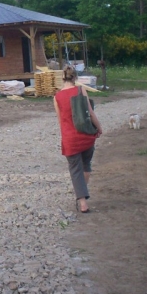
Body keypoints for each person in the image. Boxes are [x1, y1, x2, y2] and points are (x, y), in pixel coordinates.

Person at [53, 64, 103, 212]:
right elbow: (91, 114)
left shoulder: (57, 97)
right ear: (75, 77)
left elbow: (60, 120)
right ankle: (83, 192)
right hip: (86, 135)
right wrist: (99, 128)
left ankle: (82, 203)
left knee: (75, 170)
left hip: (70, 139)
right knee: (86, 165)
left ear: (63, 77)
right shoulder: (81, 90)